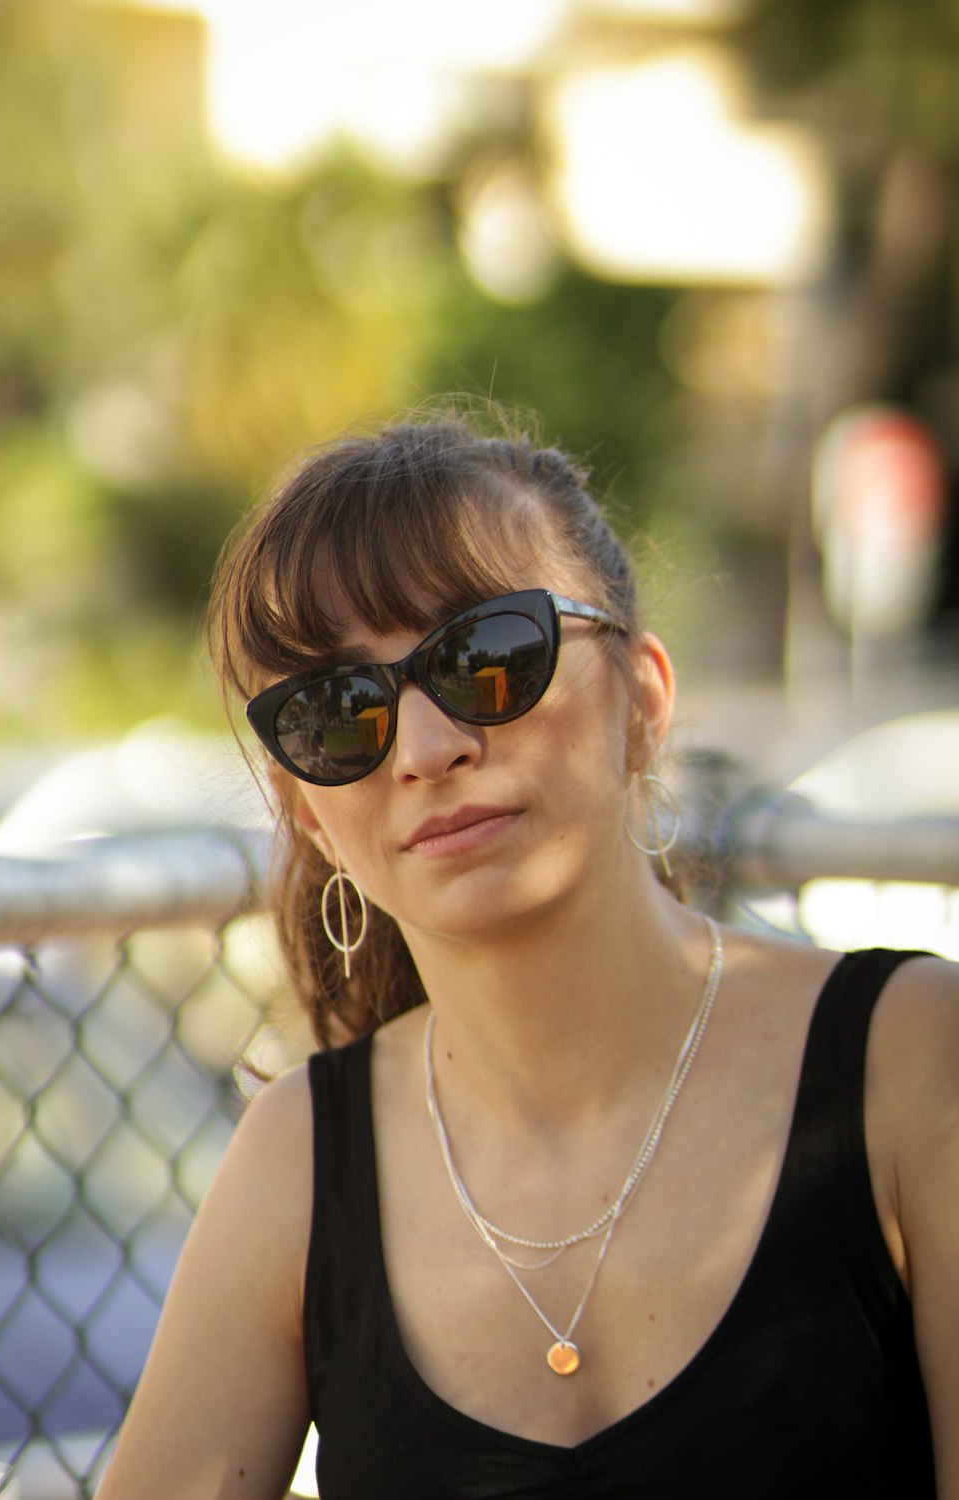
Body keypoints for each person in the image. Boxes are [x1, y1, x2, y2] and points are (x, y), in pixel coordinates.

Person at [97, 409, 958, 1499]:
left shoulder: (913, 1063)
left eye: (488, 657)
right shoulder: (299, 1162)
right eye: (334, 711)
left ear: (641, 702)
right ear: (308, 816)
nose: (424, 748)